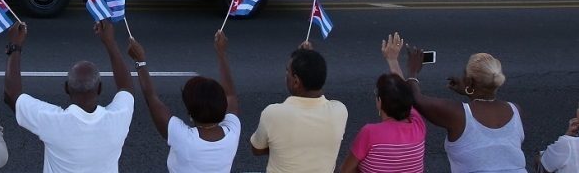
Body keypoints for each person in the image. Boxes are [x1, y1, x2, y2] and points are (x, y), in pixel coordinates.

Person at [3, 20, 135, 173]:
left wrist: (15, 46)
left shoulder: (53, 121)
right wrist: (110, 42)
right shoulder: (118, 119)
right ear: (100, 88)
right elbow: (126, 88)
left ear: (66, 88)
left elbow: (11, 95)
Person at [384, 35, 526, 173]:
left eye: (464, 74)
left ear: (470, 82)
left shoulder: (458, 114)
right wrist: (470, 91)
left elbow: (414, 99)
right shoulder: (515, 109)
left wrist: (413, 71)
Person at [128, 30, 239, 173]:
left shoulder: (183, 138)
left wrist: (140, 60)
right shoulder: (233, 132)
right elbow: (231, 95)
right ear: (223, 107)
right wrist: (221, 53)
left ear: (190, 113)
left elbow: (151, 98)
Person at [250, 40, 347, 173]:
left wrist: (284, 147)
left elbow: (256, 149)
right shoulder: (340, 111)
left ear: (296, 81)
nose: (285, 76)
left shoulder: (272, 114)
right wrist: (310, 61)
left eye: (287, 72)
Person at [342, 44, 425, 172]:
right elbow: (404, 93)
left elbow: (345, 170)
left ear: (379, 102)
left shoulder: (369, 133)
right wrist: (393, 60)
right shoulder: (418, 125)